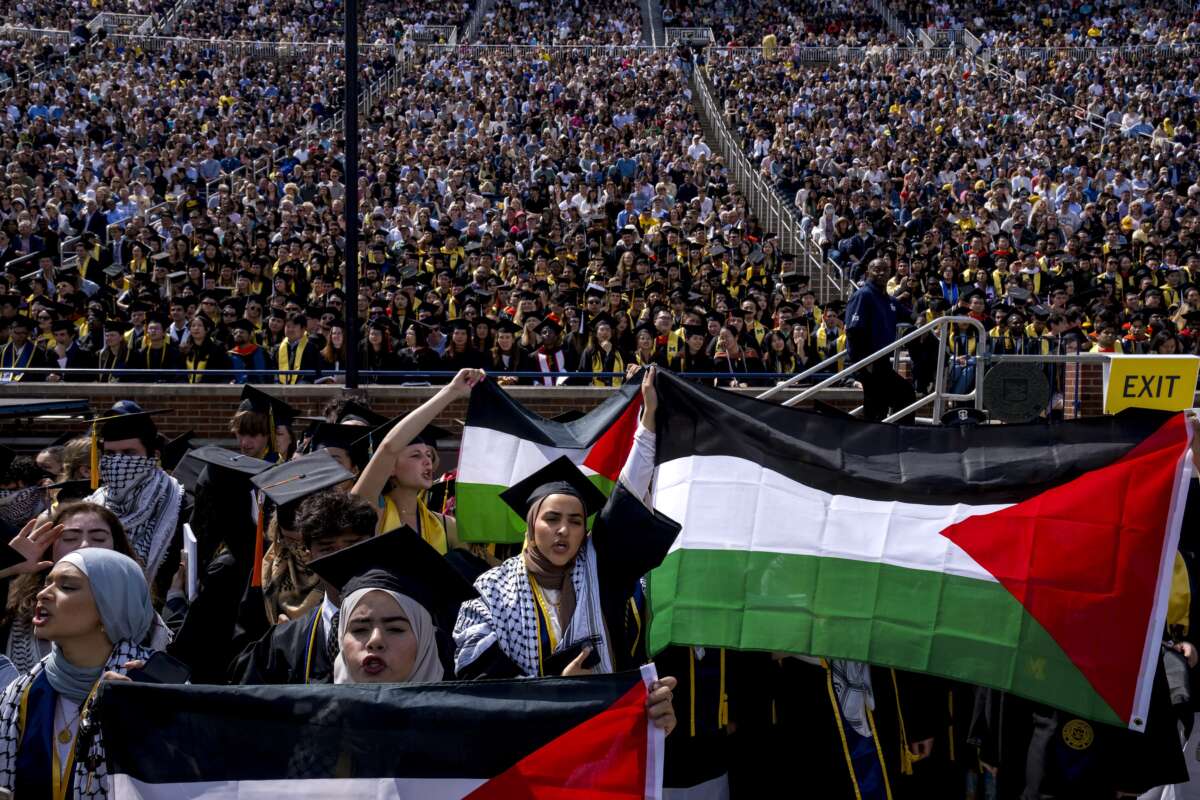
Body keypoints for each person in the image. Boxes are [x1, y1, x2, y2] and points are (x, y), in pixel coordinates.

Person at [454, 368, 681, 679]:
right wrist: (559, 690)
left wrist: (649, 418)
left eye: (575, 521)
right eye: (551, 518)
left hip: (601, 719)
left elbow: (628, 490)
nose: (564, 529)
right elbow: (481, 681)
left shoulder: (598, 570)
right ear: (530, 527)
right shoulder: (493, 591)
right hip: (538, 726)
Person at [0, 548, 157, 799]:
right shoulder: (19, 694)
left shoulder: (155, 689)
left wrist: (141, 714)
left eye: (67, 587)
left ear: (111, 607)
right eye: (47, 583)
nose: (43, 594)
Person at [232, 464, 374, 685]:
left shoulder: (373, 586)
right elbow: (245, 653)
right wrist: (283, 638)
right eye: (291, 541)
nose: (338, 558)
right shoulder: (267, 571)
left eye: (349, 545)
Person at [0, 504, 171, 676]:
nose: (84, 545)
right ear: (50, 549)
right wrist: (7, 566)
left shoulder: (143, 620)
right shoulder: (13, 610)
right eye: (69, 538)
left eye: (98, 538)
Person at [308, 526, 478, 684]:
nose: (375, 641)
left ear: (425, 640)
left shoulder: (456, 715)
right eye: (359, 630)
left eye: (395, 629)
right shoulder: (316, 715)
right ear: (340, 638)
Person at [351, 368, 481, 551]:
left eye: (428, 455)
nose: (427, 461)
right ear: (391, 468)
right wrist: (452, 391)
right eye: (415, 455)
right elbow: (388, 448)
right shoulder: (371, 511)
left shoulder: (445, 526)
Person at [84, 403, 188, 596]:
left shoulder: (181, 506)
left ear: (153, 456)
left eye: (128, 453)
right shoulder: (90, 507)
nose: (117, 462)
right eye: (110, 454)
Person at [845, 257, 915, 422]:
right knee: (899, 395)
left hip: (882, 360)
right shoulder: (863, 295)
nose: (881, 273)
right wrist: (865, 362)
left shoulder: (887, 299)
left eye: (885, 269)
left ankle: (890, 438)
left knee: (891, 400)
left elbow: (909, 315)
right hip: (868, 360)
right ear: (868, 272)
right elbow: (853, 331)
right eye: (877, 269)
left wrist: (920, 321)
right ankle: (891, 437)